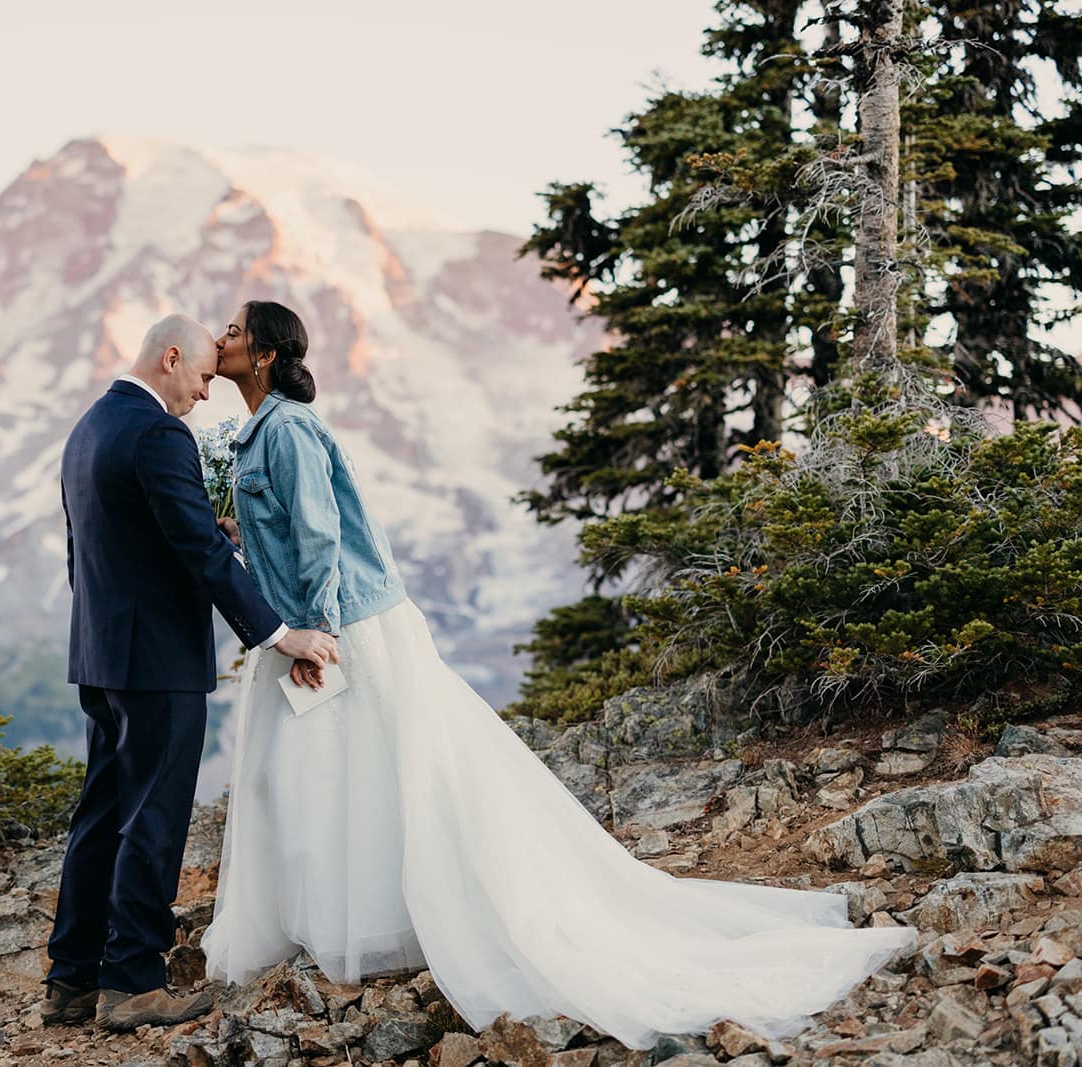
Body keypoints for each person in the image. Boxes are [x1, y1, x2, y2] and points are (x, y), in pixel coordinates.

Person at [198, 300, 917, 1051]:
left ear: (267, 355)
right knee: (333, 773)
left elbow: (321, 535)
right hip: (314, 629)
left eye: (234, 331)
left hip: (345, 627)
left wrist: (317, 632)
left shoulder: (287, 428)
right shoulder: (260, 433)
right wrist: (244, 542)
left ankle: (390, 923)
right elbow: (288, 527)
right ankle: (349, 920)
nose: (222, 338)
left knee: (386, 772)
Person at [42, 313, 340, 1032]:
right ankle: (135, 982)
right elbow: (199, 561)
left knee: (102, 814)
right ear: (171, 357)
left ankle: (71, 980)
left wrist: (217, 530)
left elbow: (109, 542)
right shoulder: (157, 432)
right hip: (157, 662)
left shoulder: (89, 426)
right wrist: (280, 634)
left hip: (101, 655)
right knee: (154, 815)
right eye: (203, 375)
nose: (206, 393)